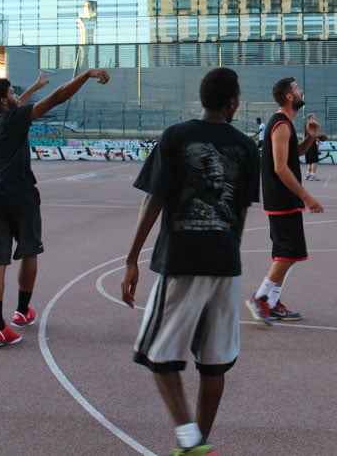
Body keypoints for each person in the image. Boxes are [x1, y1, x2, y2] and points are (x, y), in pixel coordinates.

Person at [121, 67, 259, 456]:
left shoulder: (176, 136)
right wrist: (229, 253)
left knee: (159, 356)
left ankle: (190, 439)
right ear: (233, 101)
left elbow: (154, 198)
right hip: (225, 263)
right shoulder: (247, 148)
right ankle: (199, 441)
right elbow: (241, 214)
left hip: (181, 259)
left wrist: (132, 258)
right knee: (214, 363)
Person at [0, 69, 108, 347]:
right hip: (21, 196)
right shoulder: (17, 118)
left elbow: (14, 106)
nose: (17, 96)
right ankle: (22, 312)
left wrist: (32, 88)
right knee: (29, 251)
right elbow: (58, 97)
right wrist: (85, 75)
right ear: (3, 101)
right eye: (12, 92)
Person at [245, 76, 325, 325]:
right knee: (288, 253)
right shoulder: (280, 124)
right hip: (281, 199)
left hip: (283, 199)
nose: (301, 90)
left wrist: (310, 137)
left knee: (286, 254)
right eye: (297, 88)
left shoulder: (286, 124)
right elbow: (280, 167)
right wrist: (306, 196)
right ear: (290, 97)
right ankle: (259, 299)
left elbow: (294, 153)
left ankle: (272, 302)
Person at [304, 113, 323, 181]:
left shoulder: (307, 125)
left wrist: (317, 138)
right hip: (311, 145)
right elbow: (315, 134)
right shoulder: (312, 125)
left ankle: (308, 175)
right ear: (311, 118)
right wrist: (320, 136)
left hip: (307, 145)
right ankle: (313, 176)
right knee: (314, 161)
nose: (316, 118)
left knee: (309, 161)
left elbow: (311, 135)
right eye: (314, 117)